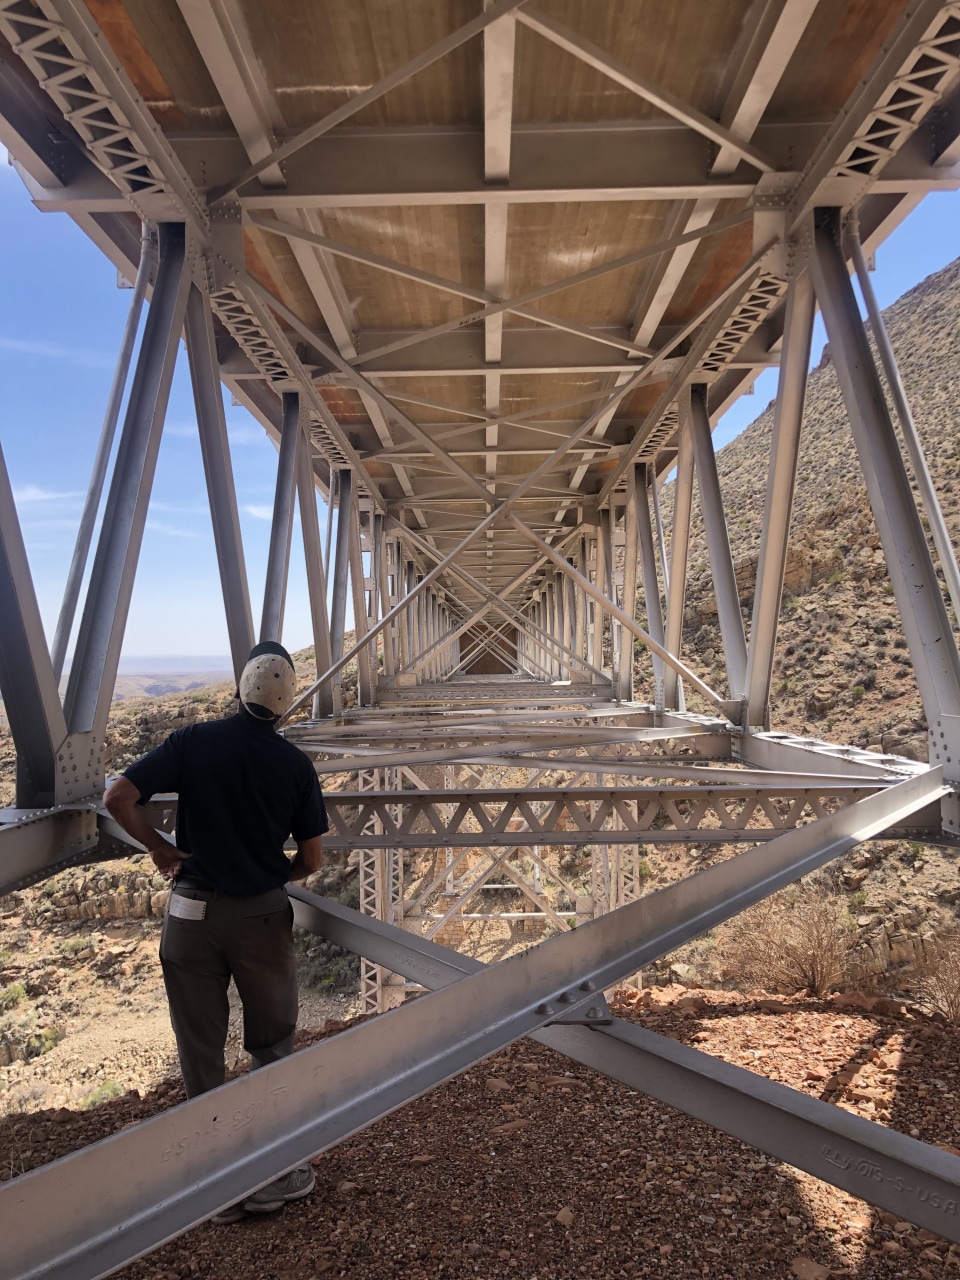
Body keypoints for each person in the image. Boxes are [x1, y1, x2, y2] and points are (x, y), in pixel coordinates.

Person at [104, 641, 328, 1223]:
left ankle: (215, 1189)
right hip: (258, 917)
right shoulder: (295, 766)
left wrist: (159, 849)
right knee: (272, 1043)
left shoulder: (193, 741)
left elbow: (118, 797)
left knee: (200, 1049)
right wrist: (274, 875)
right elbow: (312, 860)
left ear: (239, 689)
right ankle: (273, 1176)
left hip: (190, 915)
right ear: (283, 707)